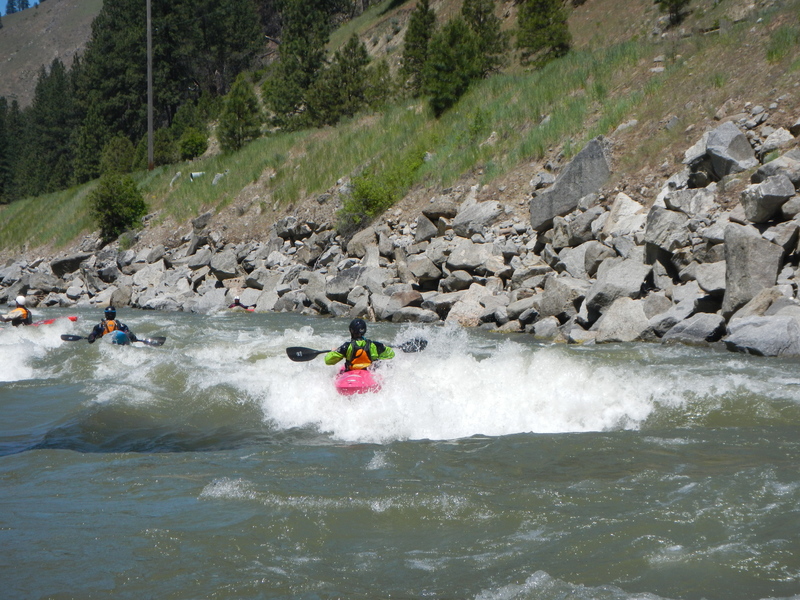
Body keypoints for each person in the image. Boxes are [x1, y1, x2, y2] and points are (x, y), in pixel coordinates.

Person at [325, 318, 395, 371]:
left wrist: (333, 351)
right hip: (369, 372)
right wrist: (383, 347)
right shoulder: (374, 345)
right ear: (364, 331)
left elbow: (328, 360)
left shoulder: (346, 347)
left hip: (351, 372)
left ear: (351, 331)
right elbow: (391, 354)